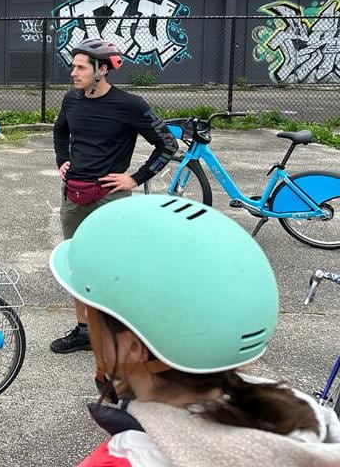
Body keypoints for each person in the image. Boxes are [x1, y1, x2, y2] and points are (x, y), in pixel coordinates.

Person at [50, 194, 340, 466]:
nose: (88, 319)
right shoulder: (303, 419)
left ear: (131, 348)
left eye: (92, 314)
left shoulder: (125, 458)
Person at [51, 38, 177, 354]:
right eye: (73, 66)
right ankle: (84, 331)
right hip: (74, 195)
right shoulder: (71, 101)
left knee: (113, 268)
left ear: (102, 70)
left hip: (110, 198)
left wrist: (135, 177)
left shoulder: (130, 105)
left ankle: (121, 330)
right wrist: (61, 160)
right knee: (76, 264)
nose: (73, 73)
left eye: (81, 67)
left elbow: (167, 144)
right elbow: (60, 131)